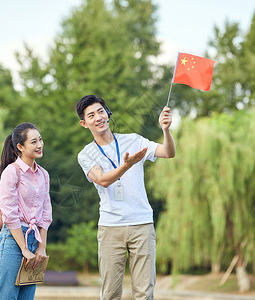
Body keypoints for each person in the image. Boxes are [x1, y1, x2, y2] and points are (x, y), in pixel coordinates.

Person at [76, 95, 176, 300]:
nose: (98, 117)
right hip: (110, 227)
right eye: (91, 115)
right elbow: (103, 180)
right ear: (84, 123)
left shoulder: (133, 140)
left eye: (101, 111)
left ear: (108, 113)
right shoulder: (85, 154)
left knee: (144, 292)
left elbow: (167, 152)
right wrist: (126, 165)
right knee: (111, 293)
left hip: (142, 224)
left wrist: (165, 130)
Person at [0, 122, 52, 300]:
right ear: (20, 146)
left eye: (40, 140)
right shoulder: (12, 172)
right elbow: (9, 214)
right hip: (12, 241)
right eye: (33, 142)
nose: (40, 145)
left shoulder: (43, 174)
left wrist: (41, 247)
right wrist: (24, 249)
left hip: (35, 241)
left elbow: (46, 213)